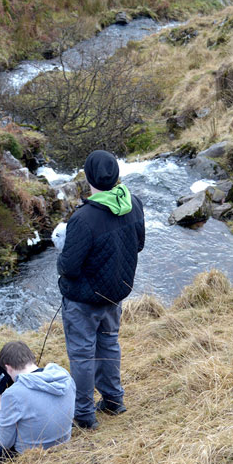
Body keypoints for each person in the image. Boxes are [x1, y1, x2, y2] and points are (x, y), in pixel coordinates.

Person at [57, 150, 145, 429]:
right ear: (116, 175)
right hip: (115, 294)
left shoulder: (83, 219)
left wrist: (61, 246)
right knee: (109, 344)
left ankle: (84, 415)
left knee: (83, 354)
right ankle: (113, 400)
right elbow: (138, 245)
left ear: (89, 178)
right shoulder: (134, 203)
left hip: (83, 300)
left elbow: (68, 268)